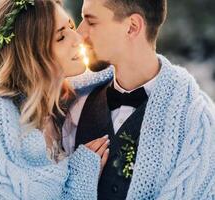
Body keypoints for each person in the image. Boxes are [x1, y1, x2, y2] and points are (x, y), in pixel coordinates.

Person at [0, 0, 113, 199]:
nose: (78, 38)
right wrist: (80, 177)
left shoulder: (58, 101)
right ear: (31, 53)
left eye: (71, 26)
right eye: (61, 36)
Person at [62, 0, 215, 199]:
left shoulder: (197, 126)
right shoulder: (72, 105)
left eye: (91, 22)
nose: (79, 33)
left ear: (132, 27)